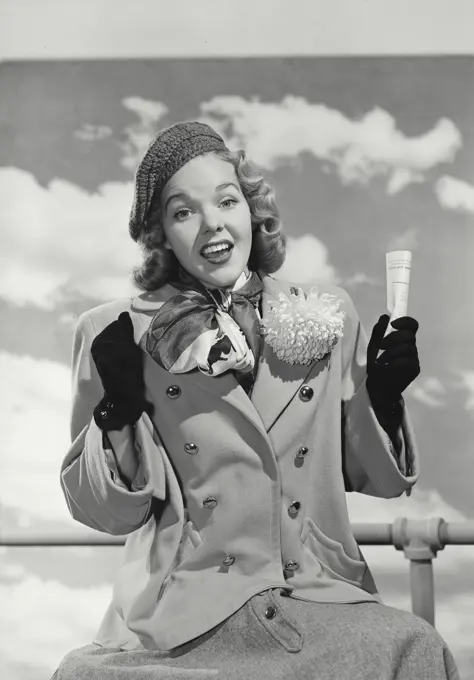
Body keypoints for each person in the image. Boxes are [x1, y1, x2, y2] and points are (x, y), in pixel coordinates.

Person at [53, 121, 459, 679]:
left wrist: (384, 398)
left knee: (416, 650)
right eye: (183, 211)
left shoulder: (327, 313)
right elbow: (103, 511)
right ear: (163, 235)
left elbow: (376, 478)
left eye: (226, 200)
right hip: (184, 613)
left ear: (250, 208)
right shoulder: (112, 332)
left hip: (314, 593)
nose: (213, 223)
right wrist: (117, 412)